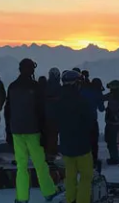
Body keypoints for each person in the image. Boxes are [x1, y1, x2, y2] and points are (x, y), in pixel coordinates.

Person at [5, 58, 59, 203]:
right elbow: (41, 112)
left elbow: (7, 110)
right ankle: (48, 191)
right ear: (31, 70)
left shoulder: (12, 86)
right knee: (40, 164)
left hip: (17, 131)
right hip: (33, 131)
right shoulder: (36, 87)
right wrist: (44, 133)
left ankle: (21, 197)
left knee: (21, 166)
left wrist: (8, 131)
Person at [55, 70, 94, 203]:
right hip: (82, 145)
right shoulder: (81, 100)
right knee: (86, 175)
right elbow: (90, 122)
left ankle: (70, 199)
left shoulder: (58, 100)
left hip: (66, 145)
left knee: (70, 175)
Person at [101, 79, 119, 165]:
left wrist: (116, 116)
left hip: (114, 122)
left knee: (111, 141)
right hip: (110, 120)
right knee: (109, 140)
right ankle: (114, 157)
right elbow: (102, 98)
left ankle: (115, 158)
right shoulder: (113, 95)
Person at [43, 68, 63, 161]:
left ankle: (49, 151)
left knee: (49, 134)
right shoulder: (58, 87)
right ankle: (51, 152)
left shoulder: (46, 86)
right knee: (53, 134)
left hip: (47, 114)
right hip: (54, 114)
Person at [83, 77, 104, 163]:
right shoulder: (97, 93)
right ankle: (94, 159)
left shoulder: (83, 90)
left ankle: (83, 159)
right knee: (94, 142)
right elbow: (101, 108)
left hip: (82, 120)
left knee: (84, 141)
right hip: (92, 120)